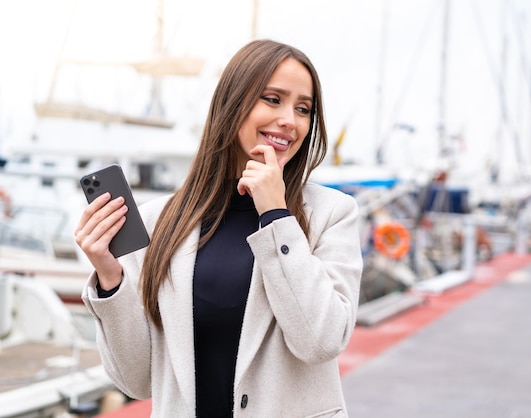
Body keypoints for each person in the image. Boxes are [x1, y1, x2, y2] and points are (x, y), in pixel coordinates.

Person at [75, 39, 363, 418]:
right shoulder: (160, 221)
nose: (290, 121)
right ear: (232, 103)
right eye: (272, 99)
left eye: (303, 108)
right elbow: (136, 381)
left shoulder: (332, 213)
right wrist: (110, 278)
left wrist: (275, 214)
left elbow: (322, 341)